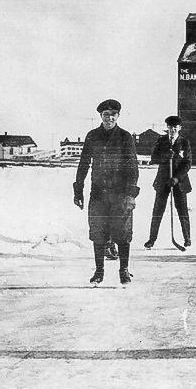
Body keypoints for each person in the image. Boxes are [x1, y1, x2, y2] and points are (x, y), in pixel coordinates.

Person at [73, 99, 140, 285]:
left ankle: (124, 270)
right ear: (100, 116)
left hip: (120, 194)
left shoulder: (126, 137)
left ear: (118, 116)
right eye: (105, 115)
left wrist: (130, 194)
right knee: (98, 232)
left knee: (123, 232)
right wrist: (78, 190)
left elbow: (133, 167)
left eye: (113, 114)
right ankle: (99, 272)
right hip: (98, 194)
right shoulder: (92, 136)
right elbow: (84, 164)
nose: (109, 118)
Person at [144, 115, 192, 249]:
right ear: (167, 128)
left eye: (175, 127)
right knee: (158, 210)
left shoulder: (184, 142)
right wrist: (165, 156)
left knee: (182, 210)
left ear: (180, 128)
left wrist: (177, 178)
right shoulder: (161, 141)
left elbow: (187, 163)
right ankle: (152, 239)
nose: (172, 129)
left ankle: (187, 238)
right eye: (170, 127)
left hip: (179, 181)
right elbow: (154, 158)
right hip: (162, 181)